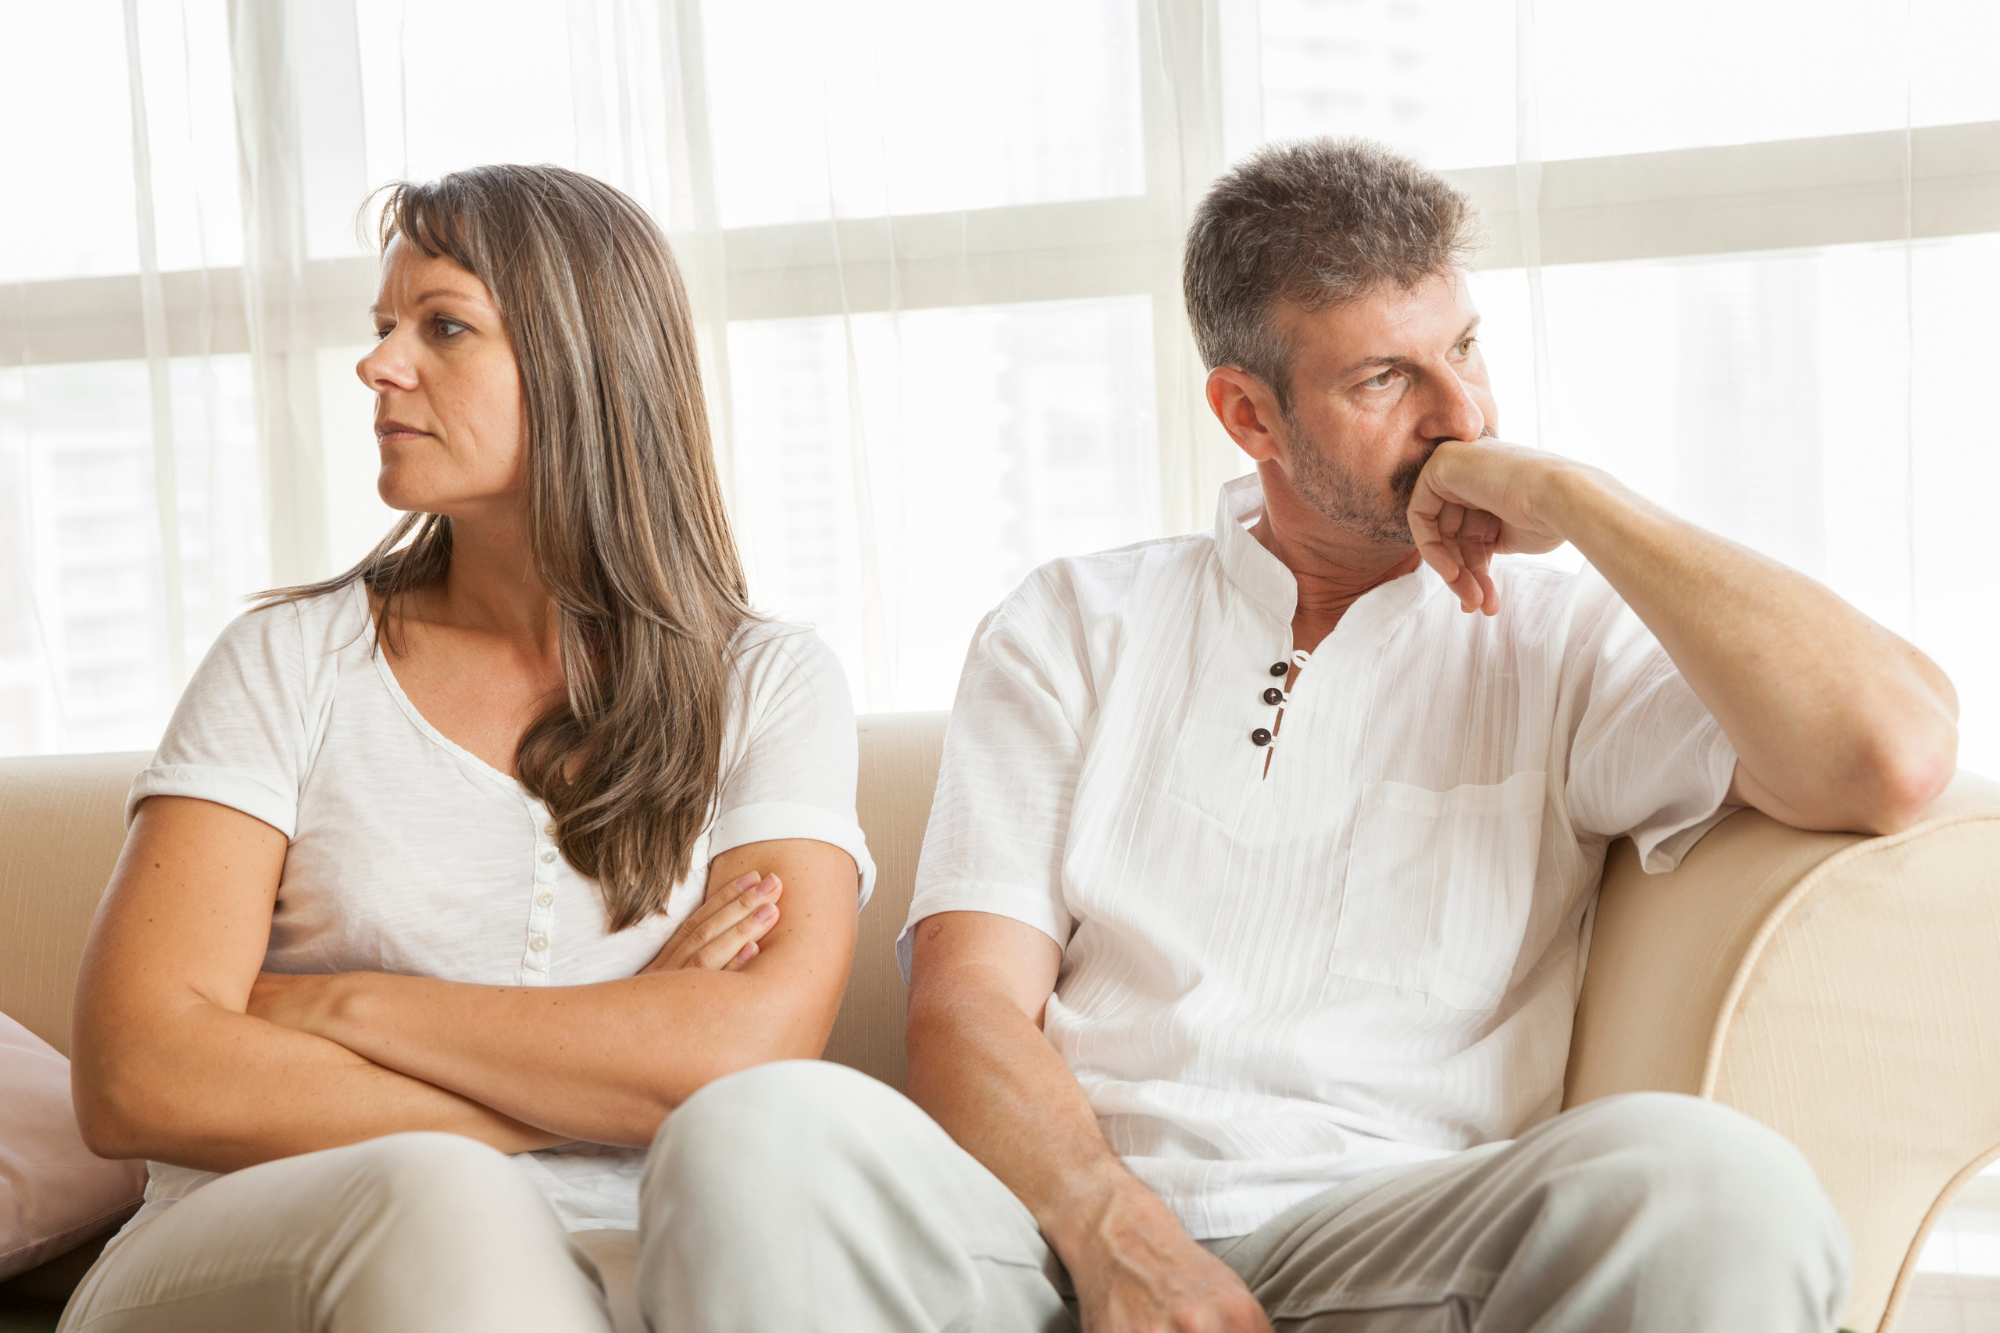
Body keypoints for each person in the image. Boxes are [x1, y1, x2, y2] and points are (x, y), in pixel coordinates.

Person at [646, 139, 1959, 1331]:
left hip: (1403, 1247)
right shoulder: (1073, 624)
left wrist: (1584, 499)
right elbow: (968, 1011)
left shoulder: (1563, 643)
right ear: (1248, 415)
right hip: (1059, 1246)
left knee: (1721, 1182)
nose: (1461, 417)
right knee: (751, 1130)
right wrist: (1122, 1243)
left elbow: (1891, 755)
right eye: (1389, 376)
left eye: (1468, 349)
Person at [62, 164, 874, 1333]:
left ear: (585, 367)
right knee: (439, 1186)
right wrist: (606, 1070)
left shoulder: (769, 685)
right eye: (385, 327)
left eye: (442, 327)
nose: (379, 364)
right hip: (253, 1239)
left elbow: (738, 1059)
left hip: (620, 1257)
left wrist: (338, 1007)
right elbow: (138, 1071)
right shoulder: (285, 663)